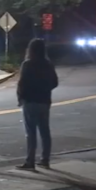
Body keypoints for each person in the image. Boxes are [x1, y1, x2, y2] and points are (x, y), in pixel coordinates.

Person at [16, 38, 59, 170]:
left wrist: (21, 98)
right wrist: (45, 89)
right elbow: (55, 82)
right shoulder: (48, 64)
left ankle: (30, 161)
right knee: (45, 131)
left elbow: (22, 83)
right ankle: (45, 159)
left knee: (31, 133)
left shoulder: (27, 64)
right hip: (44, 101)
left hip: (30, 101)